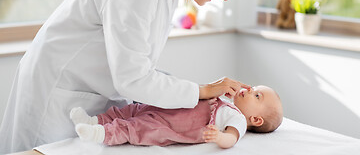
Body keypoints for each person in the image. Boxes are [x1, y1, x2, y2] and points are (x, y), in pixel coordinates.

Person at [0, 0, 255, 153]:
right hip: (55, 95)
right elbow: (133, 78)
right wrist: (201, 90)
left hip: (87, 95)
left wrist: (199, 94)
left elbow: (138, 67)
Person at [71, 85, 283, 149]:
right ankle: (94, 120)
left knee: (140, 126)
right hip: (171, 108)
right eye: (254, 87)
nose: (249, 90)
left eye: (257, 95)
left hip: (173, 125)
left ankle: (100, 133)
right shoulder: (227, 102)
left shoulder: (237, 118)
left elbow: (231, 138)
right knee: (134, 110)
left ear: (256, 120)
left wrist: (219, 137)